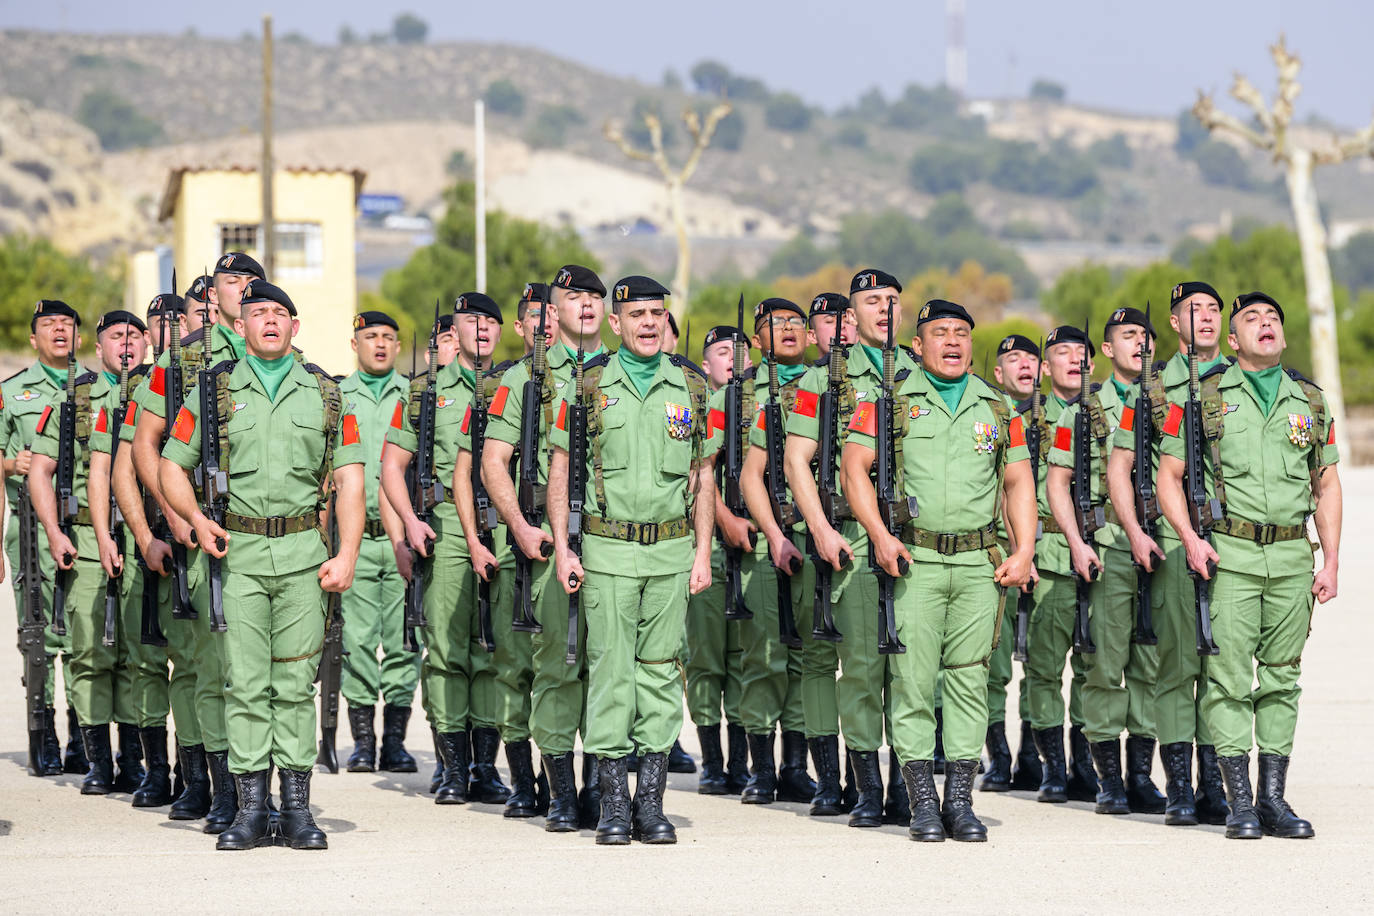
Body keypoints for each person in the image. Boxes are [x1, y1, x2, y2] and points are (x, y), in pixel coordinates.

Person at [159, 279, 365, 850]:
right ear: (241, 324)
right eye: (259, 313)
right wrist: (197, 522)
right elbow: (171, 465)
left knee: (294, 686)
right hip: (239, 559)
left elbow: (348, 479)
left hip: (303, 556)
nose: (270, 321)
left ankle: (297, 810)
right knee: (245, 685)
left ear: (294, 327)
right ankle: (250, 810)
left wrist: (346, 551)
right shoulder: (214, 391)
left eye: (281, 314)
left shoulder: (325, 393)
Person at [842, 298, 1036, 842]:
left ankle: (959, 802)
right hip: (915, 562)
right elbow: (853, 467)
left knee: (969, 682)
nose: (952, 342)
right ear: (918, 344)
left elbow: (1019, 482)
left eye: (961, 333)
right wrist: (879, 536)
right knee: (913, 683)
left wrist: (1024, 549)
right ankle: (922, 803)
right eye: (939, 333)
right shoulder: (891, 402)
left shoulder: (999, 409)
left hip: (979, 564)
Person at [1157, 291, 1340, 840]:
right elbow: (1169, 475)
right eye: (1252, 320)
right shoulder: (1200, 399)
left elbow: (1326, 483)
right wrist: (1189, 537)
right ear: (1233, 342)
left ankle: (1274, 800)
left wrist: (1331, 560)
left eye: (1273, 319)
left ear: (1283, 337)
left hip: (1290, 554)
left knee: (1283, 679)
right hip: (1230, 556)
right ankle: (1239, 804)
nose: (1266, 325)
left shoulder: (1310, 400)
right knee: (1229, 680)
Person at [547, 274, 717, 845]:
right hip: (608, 551)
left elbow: (703, 475)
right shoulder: (589, 386)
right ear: (616, 323)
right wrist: (564, 548)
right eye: (636, 314)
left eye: (656, 313)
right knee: (611, 675)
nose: (648, 323)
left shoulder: (692, 387)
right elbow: (561, 469)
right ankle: (613, 803)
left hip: (671, 552)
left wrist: (702, 552)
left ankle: (651, 803)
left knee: (662, 675)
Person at [131, 255, 263, 834]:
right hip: (194, 528)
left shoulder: (277, 354)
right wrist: (173, 517)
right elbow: (146, 445)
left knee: (254, 670)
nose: (240, 290)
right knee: (204, 665)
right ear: (213, 291)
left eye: (249, 282)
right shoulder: (178, 360)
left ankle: (254, 785)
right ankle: (214, 787)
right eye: (230, 281)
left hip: (261, 536)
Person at [787, 276, 919, 827]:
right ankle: (866, 788)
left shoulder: (923, 371)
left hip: (917, 541)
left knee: (913, 673)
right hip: (856, 541)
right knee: (863, 669)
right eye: (871, 302)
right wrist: (818, 527)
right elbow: (797, 459)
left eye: (892, 302)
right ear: (852, 314)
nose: (884, 311)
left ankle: (906, 789)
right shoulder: (824, 380)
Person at [1106, 281, 1231, 826]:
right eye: (1191, 311)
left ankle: (1216, 786)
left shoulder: (1242, 379)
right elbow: (1120, 469)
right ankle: (1180, 788)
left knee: (1224, 666)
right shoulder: (1150, 391)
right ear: (1174, 326)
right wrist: (1135, 531)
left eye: (1212, 310)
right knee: (1179, 666)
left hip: (1237, 542)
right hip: (1179, 541)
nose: (1204, 318)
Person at [382, 292, 508, 807]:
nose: (481, 328)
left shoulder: (515, 386)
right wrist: (407, 526)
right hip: (445, 529)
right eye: (469, 320)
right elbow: (391, 466)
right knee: (449, 653)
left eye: (489, 321)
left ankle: (486, 767)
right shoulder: (423, 392)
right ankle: (453, 768)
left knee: (495, 653)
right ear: (453, 332)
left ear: (501, 332)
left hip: (503, 527)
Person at [1047, 308, 1166, 815]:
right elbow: (1056, 482)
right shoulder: (1081, 411)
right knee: (1105, 662)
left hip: (1162, 542)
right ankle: (1109, 779)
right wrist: (1076, 542)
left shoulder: (1170, 403)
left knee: (1153, 662)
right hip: (1110, 544)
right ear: (1109, 350)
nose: (1138, 343)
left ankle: (1141, 775)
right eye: (1126, 336)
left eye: (1145, 335)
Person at [31, 309, 153, 795]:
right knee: (90, 652)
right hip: (85, 542)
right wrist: (54, 532)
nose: (126, 344)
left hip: (145, 540)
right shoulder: (74, 398)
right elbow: (40, 471)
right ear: (97, 347)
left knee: (138, 656)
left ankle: (133, 760)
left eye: (133, 336)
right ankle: (99, 762)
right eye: (114, 337)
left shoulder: (161, 394)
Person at [732, 297, 820, 809]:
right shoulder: (734, 395)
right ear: (756, 339)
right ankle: (761, 769)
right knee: (765, 654)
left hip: (809, 536)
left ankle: (796, 766)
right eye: (772, 325)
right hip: (763, 537)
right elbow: (714, 467)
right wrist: (732, 521)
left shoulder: (819, 387)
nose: (785, 330)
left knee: (807, 653)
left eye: (794, 323)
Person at [2, 299, 83, 775]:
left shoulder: (96, 389)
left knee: (82, 634)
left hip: (87, 527)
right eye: (49, 325)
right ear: (33, 339)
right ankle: (42, 733)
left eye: (67, 324)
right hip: (29, 528)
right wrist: (13, 465)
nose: (59, 330)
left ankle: (81, 735)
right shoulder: (11, 392)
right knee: (36, 634)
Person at [1020, 325, 1099, 804]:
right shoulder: (1025, 418)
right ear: (1045, 368)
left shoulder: (1112, 414)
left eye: (1081, 352)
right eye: (1061, 353)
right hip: (1047, 555)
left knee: (1094, 668)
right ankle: (1051, 767)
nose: (1074, 359)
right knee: (1044, 669)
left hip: (1102, 551)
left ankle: (1085, 764)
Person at [337, 311, 419, 773]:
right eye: (371, 337)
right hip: (358, 541)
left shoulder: (412, 395)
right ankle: (364, 742)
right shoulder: (337, 396)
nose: (381, 344)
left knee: (406, 640)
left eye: (389, 337)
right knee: (357, 642)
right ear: (355, 344)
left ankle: (395, 742)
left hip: (404, 541)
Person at [684, 324, 752, 795]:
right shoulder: (695, 408)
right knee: (706, 659)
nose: (732, 359)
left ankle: (744, 761)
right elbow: (692, 476)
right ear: (705, 365)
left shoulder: (759, 410)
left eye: (739, 352)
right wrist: (724, 518)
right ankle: (712, 761)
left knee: (749, 659)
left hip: (753, 547)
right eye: (722, 352)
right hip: (705, 544)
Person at [980, 334, 1043, 792]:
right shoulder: (991, 414)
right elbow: (1001, 488)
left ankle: (1034, 760)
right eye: (1013, 359)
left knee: (1041, 667)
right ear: (998, 374)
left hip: (1046, 554)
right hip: (1000, 555)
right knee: (993, 667)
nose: (1025, 365)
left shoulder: (1058, 415)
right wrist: (1021, 549)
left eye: (1031, 358)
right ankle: (998, 759)